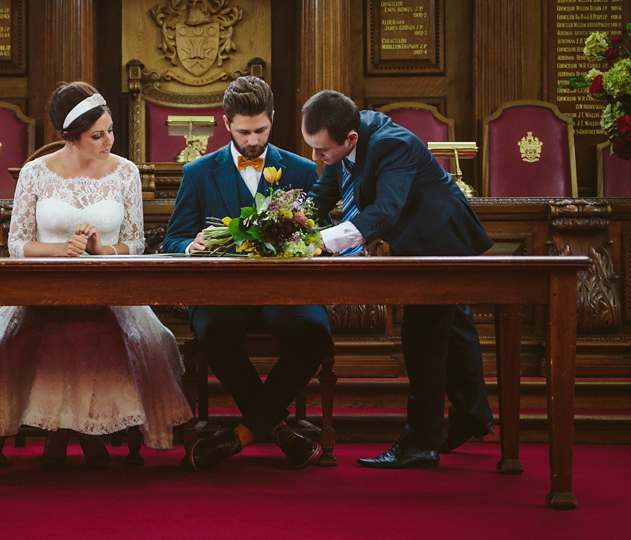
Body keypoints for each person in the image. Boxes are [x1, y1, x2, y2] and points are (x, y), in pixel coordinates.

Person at [0, 82, 192, 469]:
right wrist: (59, 249)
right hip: (44, 290)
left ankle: (83, 432)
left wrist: (102, 250)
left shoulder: (126, 173)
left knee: (122, 336)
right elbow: (17, 244)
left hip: (110, 291)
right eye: (97, 135)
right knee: (29, 336)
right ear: (71, 136)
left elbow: (136, 243)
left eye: (111, 130)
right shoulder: (35, 173)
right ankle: (61, 431)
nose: (108, 141)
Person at [300, 90, 495, 469]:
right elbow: (321, 196)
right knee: (453, 330)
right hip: (422, 241)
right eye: (311, 148)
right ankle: (472, 416)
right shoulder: (343, 135)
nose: (315, 157)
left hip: (441, 239)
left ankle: (420, 443)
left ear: (350, 139)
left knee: (422, 335)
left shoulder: (394, 145)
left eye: (321, 151)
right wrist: (286, 223)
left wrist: (320, 241)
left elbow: (385, 211)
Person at [163, 76, 331, 471]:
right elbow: (173, 240)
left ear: (272, 119)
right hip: (223, 295)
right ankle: (276, 428)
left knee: (315, 331)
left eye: (261, 130)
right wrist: (191, 245)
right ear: (226, 124)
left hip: (285, 293)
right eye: (244, 131)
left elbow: (317, 235)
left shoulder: (304, 170)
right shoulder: (198, 172)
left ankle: (243, 433)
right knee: (214, 331)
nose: (253, 139)